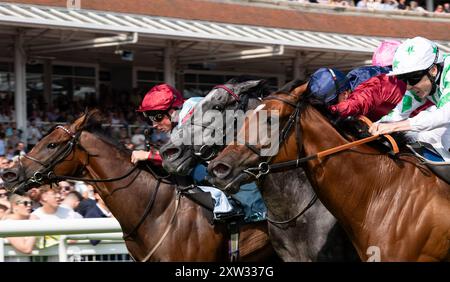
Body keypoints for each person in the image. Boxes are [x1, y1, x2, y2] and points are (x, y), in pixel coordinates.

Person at [131, 83, 267, 222]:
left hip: (244, 165)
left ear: (172, 111)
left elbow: (181, 159)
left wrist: (148, 155)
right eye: (150, 119)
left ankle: (251, 213)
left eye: (157, 117)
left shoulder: (191, 110)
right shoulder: (185, 115)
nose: (154, 124)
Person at [369, 36, 450, 161]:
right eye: (403, 79)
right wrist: (375, 126)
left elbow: (445, 115)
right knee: (413, 135)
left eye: (412, 78)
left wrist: (395, 127)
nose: (408, 86)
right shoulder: (423, 80)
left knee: (445, 137)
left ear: (433, 70)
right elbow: (398, 114)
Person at [2, 194, 36, 260]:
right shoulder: (9, 224)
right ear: (15, 206)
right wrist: (35, 225)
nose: (29, 205)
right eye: (25, 203)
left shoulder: (29, 220)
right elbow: (26, 249)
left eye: (31, 203)